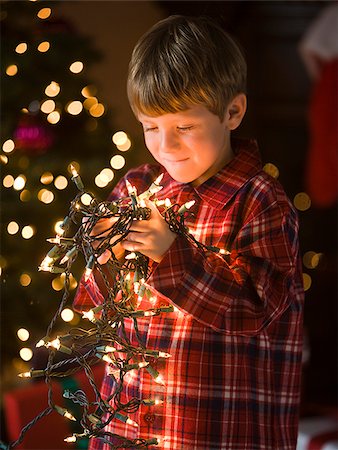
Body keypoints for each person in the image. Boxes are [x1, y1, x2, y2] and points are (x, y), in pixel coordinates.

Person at [74, 15, 304, 450]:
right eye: (151, 128)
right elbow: (100, 308)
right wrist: (101, 259)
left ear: (232, 112)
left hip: (215, 433)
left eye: (184, 127)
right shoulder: (136, 189)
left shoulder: (259, 202)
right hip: (127, 428)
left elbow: (254, 312)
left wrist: (172, 254)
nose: (166, 146)